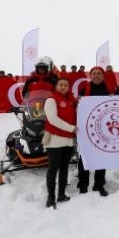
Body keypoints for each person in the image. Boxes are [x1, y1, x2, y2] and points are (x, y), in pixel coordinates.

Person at [43, 78, 77, 209]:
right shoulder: (51, 100)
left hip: (68, 140)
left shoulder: (70, 101)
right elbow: (52, 119)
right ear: (56, 86)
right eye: (61, 85)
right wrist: (71, 128)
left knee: (64, 168)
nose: (63, 87)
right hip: (55, 140)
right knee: (53, 168)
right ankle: (51, 197)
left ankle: (61, 194)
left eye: (66, 85)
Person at [76, 66, 110, 196]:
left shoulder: (109, 89)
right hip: (87, 130)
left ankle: (99, 185)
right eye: (94, 73)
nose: (96, 76)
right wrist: (78, 101)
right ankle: (83, 186)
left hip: (104, 130)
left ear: (103, 75)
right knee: (84, 159)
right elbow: (77, 107)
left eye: (99, 73)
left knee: (101, 158)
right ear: (90, 75)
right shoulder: (85, 89)